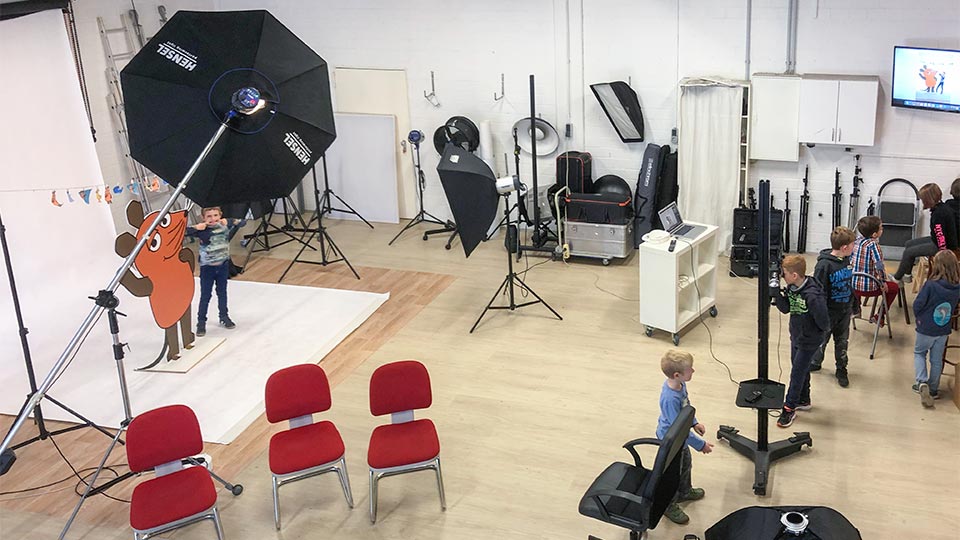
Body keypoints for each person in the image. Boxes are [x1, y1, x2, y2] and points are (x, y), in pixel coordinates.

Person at [772, 255, 830, 428]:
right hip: (797, 336)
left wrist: (817, 336)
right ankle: (803, 399)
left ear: (794, 275)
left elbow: (824, 321)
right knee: (800, 368)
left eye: (784, 273)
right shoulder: (792, 287)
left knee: (797, 373)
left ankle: (789, 408)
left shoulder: (813, 296)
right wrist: (776, 295)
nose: (782, 276)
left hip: (809, 340)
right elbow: (786, 309)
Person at [656, 349, 712, 525]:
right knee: (672, 474)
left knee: (686, 464)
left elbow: (686, 407)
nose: (693, 371)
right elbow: (679, 430)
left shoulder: (680, 385)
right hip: (671, 440)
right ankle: (668, 505)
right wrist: (701, 445)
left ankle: (684, 491)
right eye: (690, 369)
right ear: (677, 374)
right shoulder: (669, 398)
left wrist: (694, 422)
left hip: (680, 439)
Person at [912, 250, 960, 408]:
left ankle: (921, 382)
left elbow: (918, 304)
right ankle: (933, 389)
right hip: (943, 329)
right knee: (936, 360)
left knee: (919, 353)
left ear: (937, 266)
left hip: (925, 327)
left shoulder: (930, 285)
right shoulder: (957, 287)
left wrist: (918, 317)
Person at [811, 227, 856, 387]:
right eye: (852, 245)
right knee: (822, 339)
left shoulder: (847, 261)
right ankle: (815, 361)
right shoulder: (824, 266)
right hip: (829, 312)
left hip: (845, 310)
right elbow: (818, 291)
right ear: (844, 247)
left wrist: (854, 305)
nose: (854, 247)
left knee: (842, 342)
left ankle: (841, 368)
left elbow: (850, 285)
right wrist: (819, 313)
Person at [186, 206, 237, 336]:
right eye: (209, 216)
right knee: (205, 295)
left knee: (222, 292)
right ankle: (201, 322)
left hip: (223, 266)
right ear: (203, 218)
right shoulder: (202, 230)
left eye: (215, 215)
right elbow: (183, 232)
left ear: (220, 215)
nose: (213, 219)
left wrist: (228, 221)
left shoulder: (224, 226)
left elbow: (242, 222)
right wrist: (196, 227)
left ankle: (224, 316)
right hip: (207, 268)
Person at [893, 182, 958, 283]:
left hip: (943, 246)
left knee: (908, 252)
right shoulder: (941, 207)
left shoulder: (939, 214)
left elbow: (940, 237)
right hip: (936, 239)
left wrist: (942, 254)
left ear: (928, 200)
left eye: (923, 200)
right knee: (909, 244)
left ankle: (897, 278)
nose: (922, 202)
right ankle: (907, 274)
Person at [852, 216, 900, 322]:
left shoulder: (856, 242)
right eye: (881, 228)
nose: (882, 229)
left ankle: (856, 309)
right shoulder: (873, 245)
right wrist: (883, 282)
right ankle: (880, 315)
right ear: (874, 234)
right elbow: (879, 266)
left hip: (854, 286)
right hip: (870, 288)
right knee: (894, 288)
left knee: (857, 279)